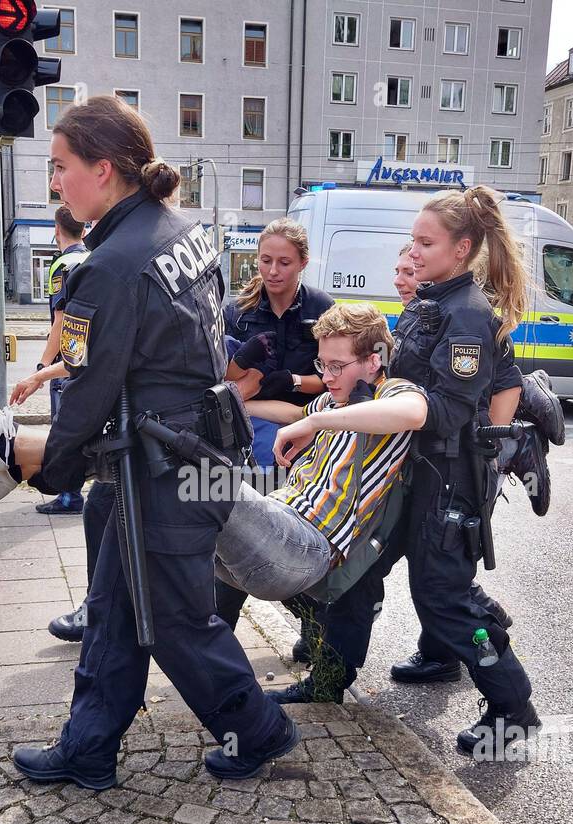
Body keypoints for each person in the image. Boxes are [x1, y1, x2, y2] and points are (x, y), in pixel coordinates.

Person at [0, 95, 298, 788]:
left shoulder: (108, 266)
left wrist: (46, 466)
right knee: (116, 609)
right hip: (179, 455)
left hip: (163, 470)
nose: (55, 183)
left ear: (104, 167)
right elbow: (149, 357)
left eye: (62, 168)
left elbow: (90, 398)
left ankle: (261, 730)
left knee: (178, 621)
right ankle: (89, 746)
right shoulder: (180, 232)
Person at [294, 186, 541, 757]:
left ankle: (512, 707)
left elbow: (448, 408)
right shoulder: (431, 302)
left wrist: (339, 420)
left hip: (447, 481)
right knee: (356, 567)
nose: (414, 252)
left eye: (426, 243)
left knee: (442, 598)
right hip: (410, 474)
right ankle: (332, 678)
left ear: (462, 249)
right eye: (414, 240)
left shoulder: (468, 315)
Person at [215, 303, 423, 605]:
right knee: (183, 487)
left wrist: (316, 421)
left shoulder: (389, 392)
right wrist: (232, 405)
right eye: (322, 365)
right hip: (280, 522)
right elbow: (296, 414)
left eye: (336, 366)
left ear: (373, 361)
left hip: (306, 545)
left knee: (207, 486)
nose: (326, 377)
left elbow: (416, 412)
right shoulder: (333, 399)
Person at [222, 218, 333, 467]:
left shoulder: (322, 308)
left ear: (303, 262)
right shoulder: (237, 313)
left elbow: (331, 379)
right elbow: (221, 382)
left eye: (284, 263)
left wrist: (293, 381)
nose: (273, 271)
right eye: (265, 260)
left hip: (306, 428)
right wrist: (241, 362)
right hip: (248, 428)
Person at [32, 205, 90, 516]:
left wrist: (43, 365)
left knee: (63, 427)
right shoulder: (92, 258)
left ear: (57, 232)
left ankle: (70, 496)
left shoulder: (63, 265)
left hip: (65, 361)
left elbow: (62, 320)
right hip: (89, 358)